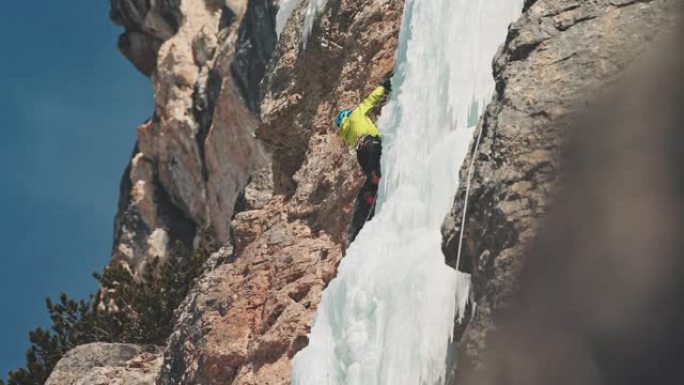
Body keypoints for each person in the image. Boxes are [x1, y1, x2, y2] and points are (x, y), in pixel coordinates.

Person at [335, 76, 392, 239]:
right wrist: (384, 87)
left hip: (361, 153)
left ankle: (371, 193)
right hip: (370, 143)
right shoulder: (354, 115)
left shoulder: (346, 134)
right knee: (376, 166)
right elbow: (370, 101)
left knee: (371, 174)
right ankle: (375, 180)